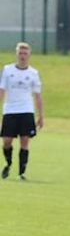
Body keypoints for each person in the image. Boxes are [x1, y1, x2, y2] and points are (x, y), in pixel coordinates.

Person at [1, 42, 43, 181]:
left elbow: (38, 95)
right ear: (16, 54)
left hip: (26, 110)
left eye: (25, 53)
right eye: (20, 53)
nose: (22, 56)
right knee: (7, 141)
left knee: (25, 141)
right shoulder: (7, 70)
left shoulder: (33, 73)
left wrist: (40, 115)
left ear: (29, 55)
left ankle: (21, 173)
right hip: (10, 110)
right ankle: (8, 163)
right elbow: (2, 91)